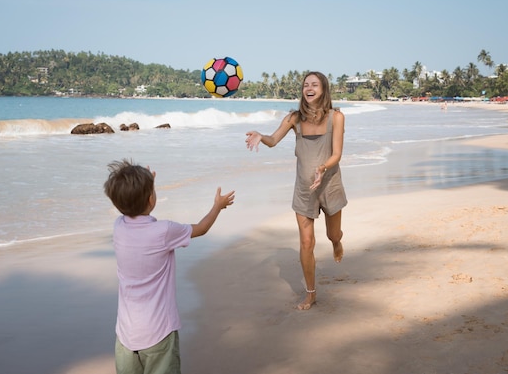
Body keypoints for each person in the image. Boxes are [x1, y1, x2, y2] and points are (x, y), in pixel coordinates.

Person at [103, 159, 235, 374]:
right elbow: (201, 228)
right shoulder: (164, 231)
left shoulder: (118, 227)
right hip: (158, 333)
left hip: (126, 336)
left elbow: (134, 206)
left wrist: (146, 185)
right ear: (150, 198)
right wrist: (217, 206)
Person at [245, 71, 347, 310]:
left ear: (323, 89)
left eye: (314, 84)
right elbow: (273, 140)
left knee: (333, 234)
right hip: (303, 190)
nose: (308, 88)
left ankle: (336, 242)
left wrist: (322, 167)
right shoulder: (294, 118)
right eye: (305, 85)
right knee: (306, 243)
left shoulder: (337, 117)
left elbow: (337, 154)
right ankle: (310, 293)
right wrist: (261, 136)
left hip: (329, 184)